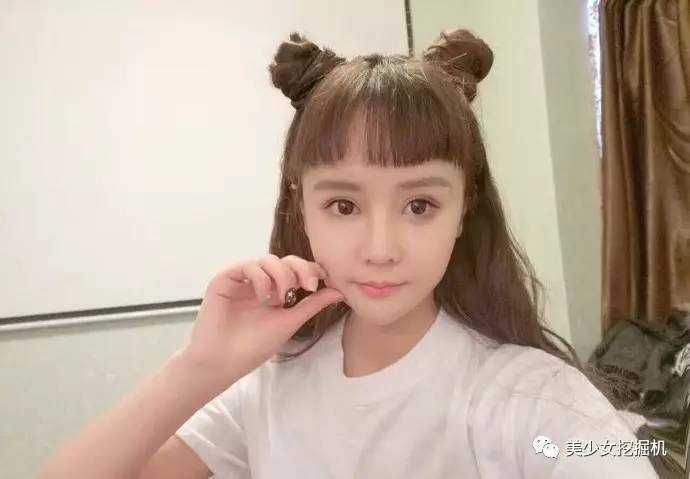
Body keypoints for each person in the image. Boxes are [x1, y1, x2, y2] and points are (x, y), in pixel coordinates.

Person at [37, 28, 660, 479]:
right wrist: (199, 368)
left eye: (419, 205)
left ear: (464, 208)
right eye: (343, 205)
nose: (380, 250)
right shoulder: (269, 387)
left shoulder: (532, 397)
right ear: (301, 206)